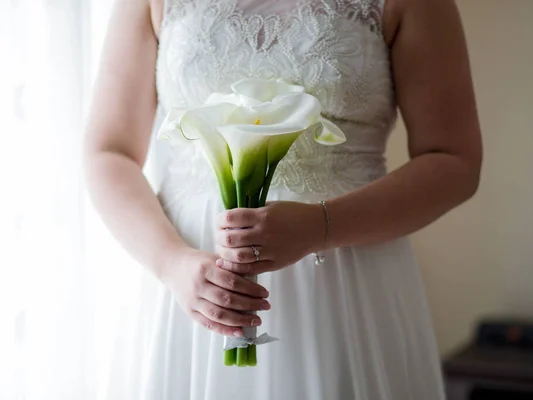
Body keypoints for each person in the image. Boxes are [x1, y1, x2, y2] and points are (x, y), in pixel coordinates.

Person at [84, 0, 482, 398]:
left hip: (342, 284)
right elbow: (109, 152)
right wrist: (172, 263)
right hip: (189, 284)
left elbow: (453, 160)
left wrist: (321, 225)